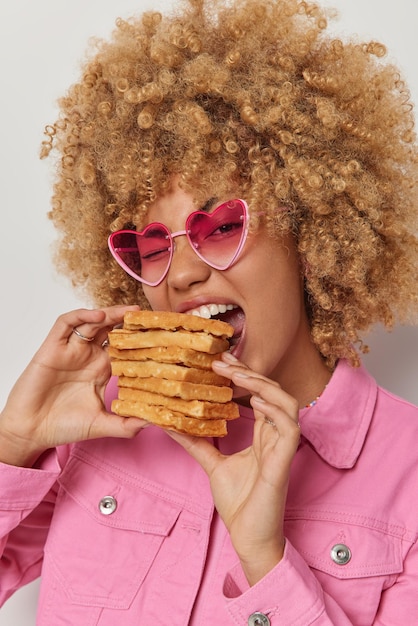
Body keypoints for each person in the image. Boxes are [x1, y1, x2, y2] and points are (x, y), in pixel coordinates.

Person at [1, 0, 418, 622]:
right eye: (149, 245)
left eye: (220, 226)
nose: (186, 271)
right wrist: (13, 447)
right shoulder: (105, 417)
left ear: (311, 230)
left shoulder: (407, 475)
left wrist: (265, 561)